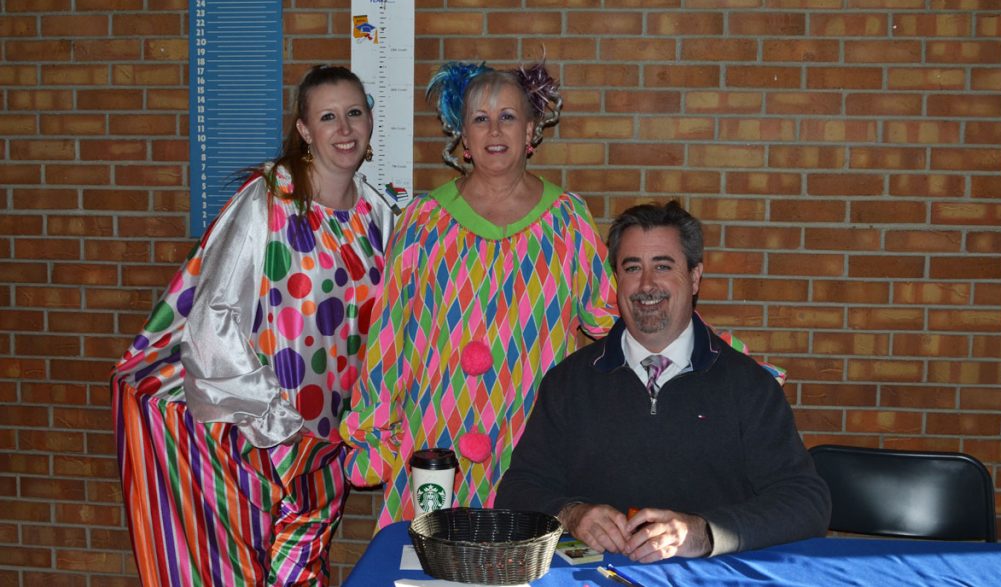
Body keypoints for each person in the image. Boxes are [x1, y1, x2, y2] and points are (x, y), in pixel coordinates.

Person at [111, 65, 399, 586]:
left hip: (332, 433)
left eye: (355, 113)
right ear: (305, 130)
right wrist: (277, 427)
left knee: (301, 565)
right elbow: (213, 317)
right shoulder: (270, 200)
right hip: (263, 434)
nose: (345, 129)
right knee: (261, 569)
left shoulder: (379, 215)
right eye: (328, 117)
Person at [340, 60, 619, 527]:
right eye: (480, 118)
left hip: (531, 441)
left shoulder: (568, 220)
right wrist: (373, 428)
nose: (495, 130)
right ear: (462, 138)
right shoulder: (423, 220)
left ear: (530, 130)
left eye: (508, 116)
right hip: (433, 442)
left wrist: (701, 352)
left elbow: (610, 315)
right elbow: (387, 335)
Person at [494, 200, 831, 561]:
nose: (647, 284)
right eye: (632, 267)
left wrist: (705, 533)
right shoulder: (568, 383)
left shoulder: (748, 386)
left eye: (663, 266)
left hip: (712, 578)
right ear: (616, 279)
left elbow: (806, 502)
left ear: (695, 276)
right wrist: (571, 514)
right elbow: (518, 491)